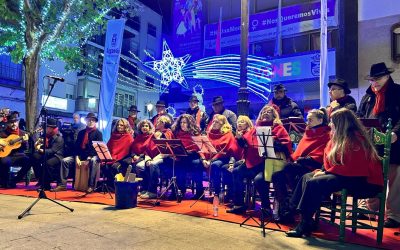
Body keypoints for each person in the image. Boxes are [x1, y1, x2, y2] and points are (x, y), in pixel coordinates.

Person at [286, 108, 383, 237]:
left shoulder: (356, 139)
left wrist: (325, 172)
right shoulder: (338, 137)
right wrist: (323, 170)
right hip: (344, 175)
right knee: (306, 176)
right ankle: (301, 216)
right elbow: (331, 161)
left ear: (341, 123)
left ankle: (304, 224)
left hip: (362, 181)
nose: (330, 124)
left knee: (314, 182)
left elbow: (353, 168)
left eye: (333, 122)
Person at [357, 62, 400, 228]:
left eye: (379, 78)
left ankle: (394, 215)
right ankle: (369, 209)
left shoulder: (397, 92)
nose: (375, 82)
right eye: (372, 79)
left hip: (394, 144)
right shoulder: (368, 97)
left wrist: (395, 133)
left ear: (387, 76)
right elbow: (360, 116)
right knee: (372, 176)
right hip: (371, 145)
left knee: (395, 180)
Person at [227, 104, 292, 215]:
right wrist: (239, 139)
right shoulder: (255, 129)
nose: (265, 113)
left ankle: (266, 208)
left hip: (268, 163)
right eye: (263, 112)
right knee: (236, 172)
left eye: (268, 112)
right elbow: (246, 145)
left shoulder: (278, 128)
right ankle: (239, 205)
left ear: (274, 115)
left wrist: (271, 142)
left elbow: (286, 146)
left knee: (259, 180)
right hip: (252, 162)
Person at [271, 108, 331, 222]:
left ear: (320, 120)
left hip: (314, 167)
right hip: (300, 166)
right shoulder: (308, 132)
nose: (307, 122)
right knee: (276, 176)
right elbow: (298, 152)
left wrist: (302, 160)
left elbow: (322, 154)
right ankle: (286, 210)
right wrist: (297, 159)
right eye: (307, 119)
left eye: (310, 120)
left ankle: (292, 207)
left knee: (289, 168)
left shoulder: (326, 134)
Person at [203, 114, 240, 199]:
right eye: (214, 121)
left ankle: (217, 191)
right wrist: (204, 159)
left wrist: (211, 161)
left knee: (215, 165)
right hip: (211, 158)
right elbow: (205, 147)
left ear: (223, 124)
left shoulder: (228, 134)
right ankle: (211, 190)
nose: (214, 123)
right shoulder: (209, 133)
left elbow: (223, 150)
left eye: (217, 122)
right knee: (199, 163)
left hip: (224, 158)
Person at [172, 114, 205, 200]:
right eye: (181, 122)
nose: (182, 124)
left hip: (193, 156)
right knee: (177, 164)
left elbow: (200, 148)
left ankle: (199, 192)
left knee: (197, 164)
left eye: (185, 122)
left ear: (190, 124)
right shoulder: (177, 133)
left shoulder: (195, 133)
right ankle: (179, 191)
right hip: (181, 156)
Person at [31, 118, 65, 191]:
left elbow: (53, 150)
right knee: (34, 157)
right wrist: (38, 144)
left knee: (48, 163)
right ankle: (40, 178)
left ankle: (46, 184)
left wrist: (41, 150)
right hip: (47, 153)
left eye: (47, 127)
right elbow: (41, 143)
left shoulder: (59, 138)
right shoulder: (45, 135)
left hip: (57, 156)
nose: (45, 128)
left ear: (52, 128)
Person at [129, 120, 159, 199]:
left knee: (139, 166)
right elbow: (132, 149)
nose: (144, 127)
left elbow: (151, 150)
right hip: (138, 157)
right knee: (131, 164)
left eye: (146, 126)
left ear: (149, 128)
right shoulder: (138, 137)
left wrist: (140, 157)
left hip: (147, 157)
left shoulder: (152, 136)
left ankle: (147, 189)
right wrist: (134, 156)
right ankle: (142, 188)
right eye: (143, 126)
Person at [0, 113, 30, 188]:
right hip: (7, 155)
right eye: (11, 122)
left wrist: (25, 141)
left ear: (18, 122)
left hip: (19, 156)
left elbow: (26, 148)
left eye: (15, 122)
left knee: (28, 161)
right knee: (4, 162)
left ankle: (14, 180)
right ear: (8, 123)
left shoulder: (22, 133)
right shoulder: (3, 133)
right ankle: (4, 182)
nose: (14, 124)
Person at [75, 113, 103, 193]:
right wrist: (76, 156)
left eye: (93, 120)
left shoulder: (98, 133)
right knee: (65, 161)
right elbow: (77, 146)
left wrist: (90, 156)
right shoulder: (81, 133)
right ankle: (63, 184)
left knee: (93, 160)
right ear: (86, 121)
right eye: (89, 120)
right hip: (82, 155)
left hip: (94, 155)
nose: (90, 122)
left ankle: (91, 185)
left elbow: (98, 149)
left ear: (95, 122)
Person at [106, 118, 134, 186]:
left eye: (121, 125)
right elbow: (108, 147)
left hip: (123, 158)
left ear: (125, 127)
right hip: (112, 157)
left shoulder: (128, 137)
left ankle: (116, 186)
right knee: (104, 165)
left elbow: (128, 151)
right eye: (118, 125)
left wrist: (116, 158)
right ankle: (110, 186)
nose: (119, 126)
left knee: (114, 166)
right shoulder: (113, 136)